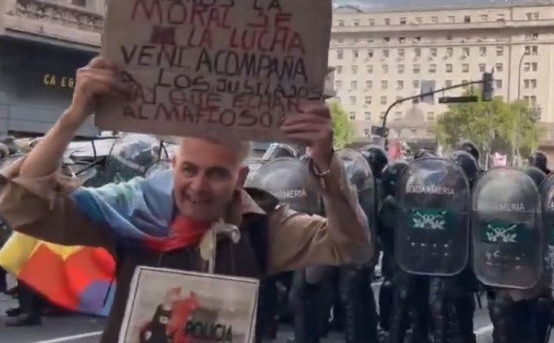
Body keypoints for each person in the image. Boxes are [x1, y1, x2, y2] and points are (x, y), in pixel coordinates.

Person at [0, 57, 372, 343]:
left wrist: (325, 161)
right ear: (173, 166)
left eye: (217, 173)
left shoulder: (262, 227)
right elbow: (26, 208)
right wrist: (74, 115)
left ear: (240, 178)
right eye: (189, 170)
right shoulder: (131, 211)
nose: (199, 186)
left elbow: (350, 244)